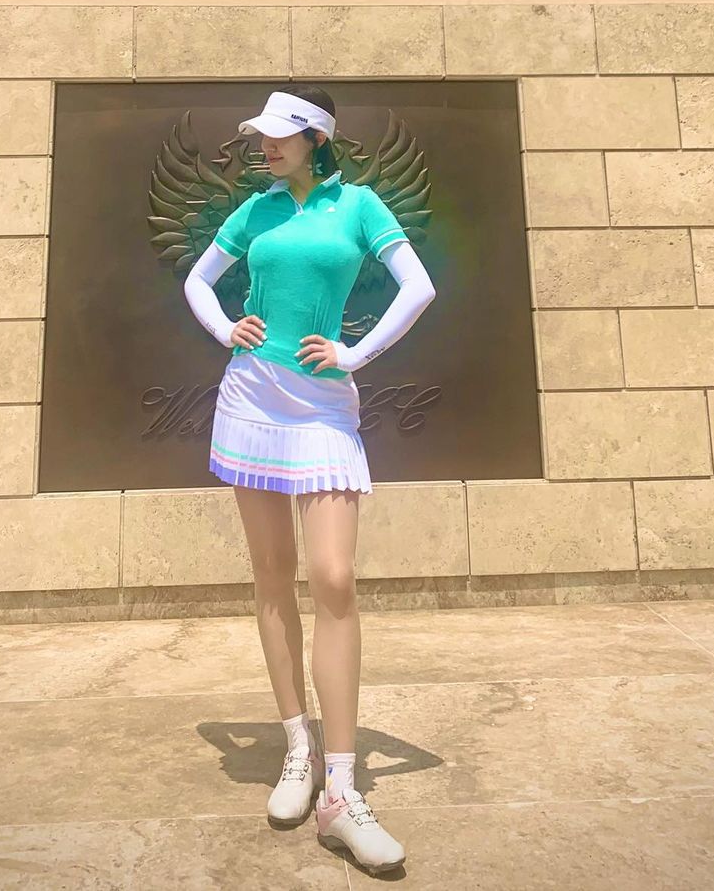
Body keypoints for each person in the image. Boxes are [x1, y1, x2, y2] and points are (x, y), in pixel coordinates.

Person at [183, 85, 436, 876]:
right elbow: (197, 281)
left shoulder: (357, 204)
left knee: (333, 578)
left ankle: (343, 788)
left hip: (323, 406)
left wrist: (356, 353)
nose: (266, 147)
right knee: (271, 574)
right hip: (250, 398)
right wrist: (226, 328)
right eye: (261, 136)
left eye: (280, 137)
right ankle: (299, 747)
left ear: (317, 139)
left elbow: (420, 286)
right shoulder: (254, 210)